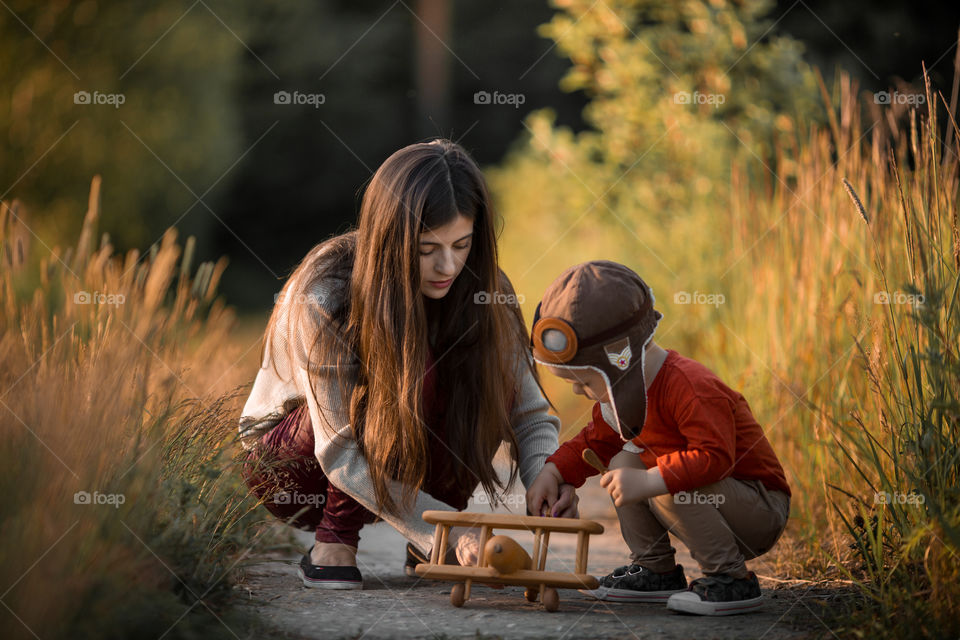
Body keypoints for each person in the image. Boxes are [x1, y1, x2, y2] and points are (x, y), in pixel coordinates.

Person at [239, 139, 575, 589]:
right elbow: (336, 448)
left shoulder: (483, 290)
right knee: (398, 367)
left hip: (404, 465)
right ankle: (335, 539)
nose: (447, 265)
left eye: (462, 244)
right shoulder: (325, 292)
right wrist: (450, 529)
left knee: (478, 364)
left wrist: (548, 474)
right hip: (297, 471)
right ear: (389, 239)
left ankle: (427, 537)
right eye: (425, 248)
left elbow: (529, 412)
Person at [525, 261, 791, 616]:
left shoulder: (690, 386)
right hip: (712, 501)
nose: (579, 391)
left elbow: (715, 457)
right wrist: (553, 473)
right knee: (622, 462)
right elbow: (593, 441)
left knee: (659, 479)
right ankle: (655, 571)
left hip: (757, 509)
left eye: (586, 381)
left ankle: (731, 580)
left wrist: (651, 480)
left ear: (620, 364)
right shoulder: (625, 399)